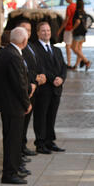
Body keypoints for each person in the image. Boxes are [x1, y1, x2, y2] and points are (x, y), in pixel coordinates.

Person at [0, 27, 32, 185]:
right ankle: (10, 173)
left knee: (10, 139)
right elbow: (19, 84)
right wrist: (26, 103)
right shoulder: (14, 56)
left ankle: (12, 170)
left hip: (7, 105)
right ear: (24, 41)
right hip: (14, 106)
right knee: (13, 140)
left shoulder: (5, 52)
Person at [32, 22, 67, 154]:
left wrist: (62, 78)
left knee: (51, 116)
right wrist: (54, 79)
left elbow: (63, 66)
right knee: (41, 116)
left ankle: (49, 141)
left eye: (48, 30)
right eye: (43, 31)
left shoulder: (56, 49)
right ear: (38, 33)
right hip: (43, 90)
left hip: (56, 90)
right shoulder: (35, 49)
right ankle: (40, 143)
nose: (46, 33)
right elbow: (41, 68)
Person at [17, 20, 48, 159]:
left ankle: (23, 146)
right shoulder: (18, 48)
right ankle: (19, 149)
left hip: (34, 89)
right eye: (24, 29)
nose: (27, 33)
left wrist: (41, 75)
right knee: (20, 124)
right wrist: (35, 77)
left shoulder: (30, 46)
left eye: (29, 30)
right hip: (25, 88)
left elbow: (37, 63)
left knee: (26, 122)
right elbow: (23, 70)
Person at [56, 0, 77, 69]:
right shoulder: (76, 6)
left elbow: (66, 20)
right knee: (75, 47)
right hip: (75, 29)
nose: (65, 0)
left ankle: (69, 63)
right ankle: (78, 62)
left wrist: (60, 30)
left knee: (68, 46)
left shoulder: (69, 7)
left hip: (69, 28)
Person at [71, 0, 92, 70]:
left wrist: (73, 29)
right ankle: (76, 65)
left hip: (78, 33)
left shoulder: (77, 12)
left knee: (74, 48)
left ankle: (86, 61)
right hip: (83, 33)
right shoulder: (84, 12)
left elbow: (77, 21)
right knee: (79, 50)